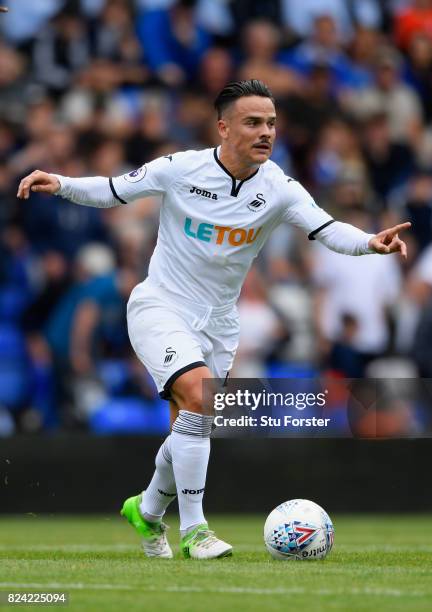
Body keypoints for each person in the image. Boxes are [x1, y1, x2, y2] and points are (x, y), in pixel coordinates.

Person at [17, 79, 410, 560]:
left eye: (270, 123)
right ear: (223, 127)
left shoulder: (280, 187)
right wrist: (61, 183)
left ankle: (146, 509)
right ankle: (195, 530)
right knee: (199, 401)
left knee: (192, 426)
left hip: (220, 325)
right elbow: (115, 190)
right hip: (160, 306)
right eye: (252, 122)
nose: (265, 132)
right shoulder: (180, 168)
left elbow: (328, 229)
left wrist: (370, 242)